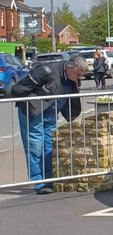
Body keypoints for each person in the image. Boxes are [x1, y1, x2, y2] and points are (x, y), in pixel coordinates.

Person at [7, 54, 89, 192]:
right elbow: (18, 89)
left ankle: (48, 180)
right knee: (35, 146)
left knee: (49, 146)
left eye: (81, 75)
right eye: (77, 74)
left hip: (51, 113)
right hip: (33, 112)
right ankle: (39, 183)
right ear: (69, 68)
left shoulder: (72, 76)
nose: (79, 78)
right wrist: (33, 103)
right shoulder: (46, 71)